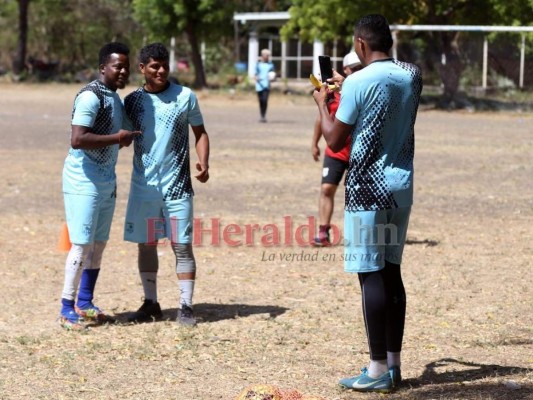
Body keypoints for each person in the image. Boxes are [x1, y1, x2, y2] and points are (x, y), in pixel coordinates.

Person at [313, 15, 422, 393]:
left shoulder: (357, 82)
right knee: (392, 272)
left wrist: (321, 103)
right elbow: (385, 98)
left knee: (369, 275)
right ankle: (393, 365)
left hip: (366, 189)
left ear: (360, 44)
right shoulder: (412, 73)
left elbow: (333, 137)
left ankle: (375, 370)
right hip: (401, 185)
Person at [123, 43, 210, 327]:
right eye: (154, 66)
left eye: (164, 66)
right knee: (146, 245)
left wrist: (204, 162)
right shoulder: (133, 101)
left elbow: (200, 133)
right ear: (142, 69)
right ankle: (151, 303)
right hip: (144, 187)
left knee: (181, 246)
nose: (160, 71)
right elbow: (120, 134)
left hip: (178, 187)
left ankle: (185, 307)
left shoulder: (185, 96)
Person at [59, 42, 141, 330]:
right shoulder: (90, 97)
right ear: (102, 68)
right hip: (83, 179)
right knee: (81, 245)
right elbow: (78, 139)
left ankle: (85, 302)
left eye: (126, 68)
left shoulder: (115, 99)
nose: (123, 72)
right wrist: (118, 138)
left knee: (99, 243)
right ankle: (66, 308)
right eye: (118, 66)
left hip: (107, 179)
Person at [312, 52, 363, 246]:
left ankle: (360, 233)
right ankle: (323, 232)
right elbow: (321, 117)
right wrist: (314, 143)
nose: (357, 72)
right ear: (345, 70)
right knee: (326, 188)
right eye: (354, 69)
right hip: (335, 151)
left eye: (360, 68)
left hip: (359, 152)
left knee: (358, 193)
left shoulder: (363, 91)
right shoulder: (331, 91)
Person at [255, 48, 275, 123]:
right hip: (259, 85)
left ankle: (263, 116)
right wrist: (256, 78)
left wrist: (272, 79)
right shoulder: (258, 64)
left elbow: (273, 75)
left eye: (268, 55)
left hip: (267, 85)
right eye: (265, 55)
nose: (266, 57)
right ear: (262, 56)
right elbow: (255, 74)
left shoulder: (271, 65)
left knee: (265, 100)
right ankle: (261, 115)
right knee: (261, 101)